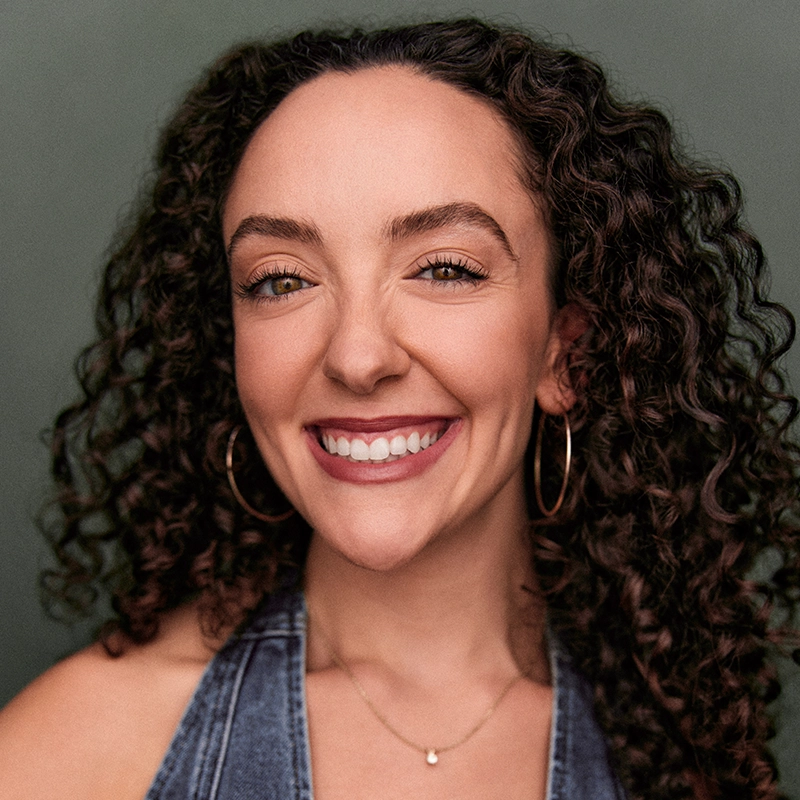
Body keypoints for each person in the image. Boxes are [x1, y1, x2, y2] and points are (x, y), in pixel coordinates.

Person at [0, 17, 797, 800]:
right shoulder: (76, 751)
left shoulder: (671, 756)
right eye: (281, 279)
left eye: (445, 269)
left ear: (565, 352)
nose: (357, 357)